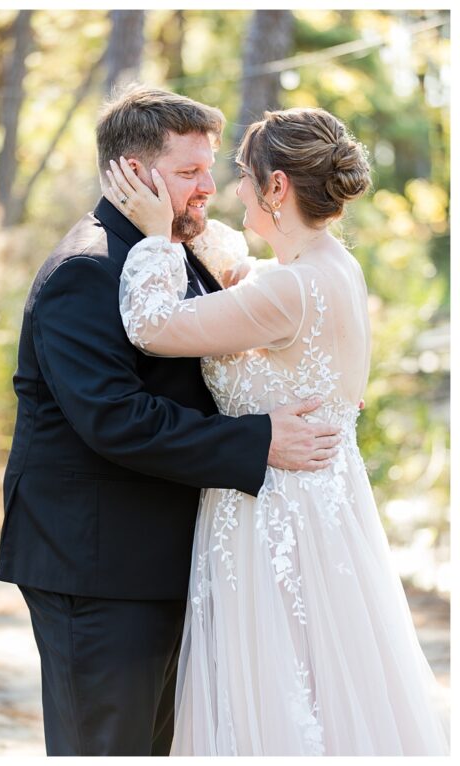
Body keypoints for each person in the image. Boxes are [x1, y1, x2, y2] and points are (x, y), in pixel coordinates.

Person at [0, 85, 340, 756]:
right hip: (97, 571)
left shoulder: (172, 254)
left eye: (209, 168)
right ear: (130, 171)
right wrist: (261, 440)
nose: (208, 187)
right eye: (188, 172)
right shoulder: (86, 269)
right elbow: (115, 418)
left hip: (163, 560)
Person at [108, 105, 448, 755]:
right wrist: (214, 246)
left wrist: (156, 235)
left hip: (272, 525)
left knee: (275, 698)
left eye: (241, 173)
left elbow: (151, 325)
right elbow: (255, 294)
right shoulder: (333, 269)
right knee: (324, 692)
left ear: (277, 187)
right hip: (327, 514)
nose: (233, 188)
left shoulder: (288, 291)